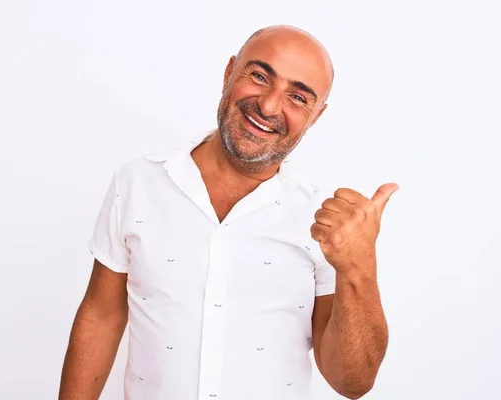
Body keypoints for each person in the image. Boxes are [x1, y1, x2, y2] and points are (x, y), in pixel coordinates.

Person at [59, 24, 398, 400]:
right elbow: (102, 315)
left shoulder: (325, 221)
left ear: (316, 116)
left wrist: (358, 268)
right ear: (229, 73)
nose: (269, 106)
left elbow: (352, 383)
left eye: (298, 98)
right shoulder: (137, 183)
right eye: (259, 76)